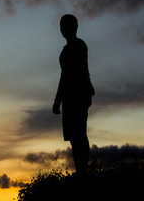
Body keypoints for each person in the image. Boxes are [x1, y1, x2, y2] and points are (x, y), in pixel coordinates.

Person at [52, 14, 95, 175]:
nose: (63, 30)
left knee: (79, 134)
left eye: (66, 26)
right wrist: (58, 100)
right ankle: (81, 170)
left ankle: (82, 171)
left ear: (74, 27)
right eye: (61, 26)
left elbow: (71, 74)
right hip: (70, 96)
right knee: (74, 136)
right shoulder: (67, 48)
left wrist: (57, 101)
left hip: (79, 94)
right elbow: (64, 76)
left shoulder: (78, 45)